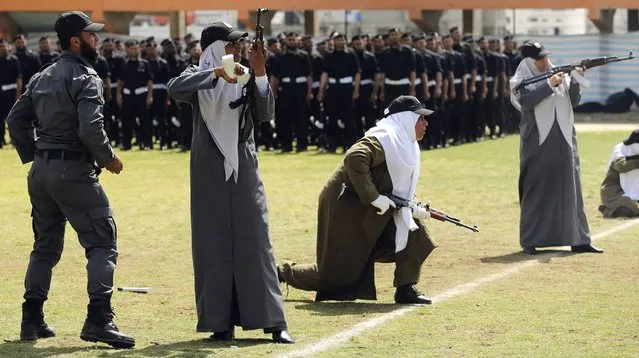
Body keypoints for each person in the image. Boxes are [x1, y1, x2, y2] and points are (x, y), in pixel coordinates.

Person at [6, 11, 134, 348]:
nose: (98, 39)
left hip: (41, 173)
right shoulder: (85, 76)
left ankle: (31, 319)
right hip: (73, 171)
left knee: (44, 248)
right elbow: (91, 127)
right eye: (91, 35)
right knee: (102, 242)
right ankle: (99, 319)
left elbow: (15, 120)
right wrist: (108, 159)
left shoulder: (41, 76)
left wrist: (39, 154)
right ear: (76, 40)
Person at [166, 22, 295, 344]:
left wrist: (260, 72)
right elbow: (175, 88)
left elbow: (265, 115)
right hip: (208, 167)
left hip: (244, 164)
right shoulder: (198, 75)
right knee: (211, 243)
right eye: (231, 44)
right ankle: (219, 322)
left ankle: (274, 322)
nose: (238, 49)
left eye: (239, 44)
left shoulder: (247, 74)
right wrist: (215, 76)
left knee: (256, 240)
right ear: (213, 49)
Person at [278, 96, 437, 304]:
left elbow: (395, 182)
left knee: (414, 231)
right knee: (337, 277)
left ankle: (405, 288)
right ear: (406, 120)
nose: (425, 124)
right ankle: (279, 273)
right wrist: (374, 197)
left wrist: (412, 205)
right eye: (420, 119)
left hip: (371, 207)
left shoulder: (406, 142)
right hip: (346, 208)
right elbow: (355, 158)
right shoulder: (384, 138)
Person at [510, 41, 602, 255]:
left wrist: (578, 79)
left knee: (571, 190)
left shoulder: (560, 74)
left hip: (565, 138)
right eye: (539, 58)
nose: (544, 61)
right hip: (538, 142)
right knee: (536, 188)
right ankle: (530, 240)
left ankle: (579, 239)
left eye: (544, 57)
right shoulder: (520, 80)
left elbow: (573, 101)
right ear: (528, 61)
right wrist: (549, 84)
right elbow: (527, 101)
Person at [598, 129, 639, 218]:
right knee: (632, 209)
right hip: (612, 192)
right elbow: (622, 166)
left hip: (629, 189)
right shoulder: (619, 150)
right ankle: (607, 211)